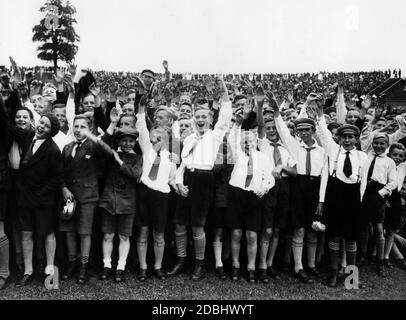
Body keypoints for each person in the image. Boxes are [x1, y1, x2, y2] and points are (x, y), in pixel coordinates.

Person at [169, 78, 232, 281]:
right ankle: (180, 260)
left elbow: (225, 117)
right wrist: (178, 184)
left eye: (204, 116)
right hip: (187, 179)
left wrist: (224, 93)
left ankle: (199, 263)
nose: (200, 119)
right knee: (179, 223)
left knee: (197, 225)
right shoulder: (189, 139)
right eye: (197, 116)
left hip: (204, 182)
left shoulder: (214, 135)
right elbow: (182, 165)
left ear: (210, 120)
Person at [271, 93, 328, 284]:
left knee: (313, 229)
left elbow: (325, 176)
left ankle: (311, 264)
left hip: (315, 188)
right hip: (299, 188)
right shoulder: (295, 146)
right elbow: (283, 132)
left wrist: (321, 199)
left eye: (307, 129)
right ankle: (298, 267)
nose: (304, 133)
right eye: (300, 130)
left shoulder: (322, 151)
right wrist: (278, 113)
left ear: (313, 130)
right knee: (299, 229)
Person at [315, 97, 368, 287]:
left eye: (350, 137)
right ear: (339, 138)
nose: (347, 140)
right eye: (343, 137)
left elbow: (363, 185)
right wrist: (320, 112)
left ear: (356, 139)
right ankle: (334, 272)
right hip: (335, 198)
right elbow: (322, 132)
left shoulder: (362, 156)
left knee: (351, 238)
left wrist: (361, 203)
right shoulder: (333, 151)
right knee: (335, 236)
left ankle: (351, 276)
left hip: (354, 199)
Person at [86, 126, 142, 283]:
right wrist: (91, 136)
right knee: (108, 235)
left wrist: (120, 162)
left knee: (124, 236)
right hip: (109, 200)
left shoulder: (138, 158)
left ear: (135, 142)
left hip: (128, 202)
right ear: (119, 141)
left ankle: (121, 267)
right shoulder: (111, 155)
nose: (127, 144)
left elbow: (136, 174)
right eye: (124, 140)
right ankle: (106, 265)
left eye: (131, 141)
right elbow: (103, 145)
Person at [14, 114, 63, 287]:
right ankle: (28, 270)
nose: (41, 126)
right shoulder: (30, 140)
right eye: (41, 122)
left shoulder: (53, 150)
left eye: (46, 126)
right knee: (26, 232)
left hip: (43, 200)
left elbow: (58, 178)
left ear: (51, 132)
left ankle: (50, 272)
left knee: (48, 233)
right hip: (25, 198)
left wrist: (40, 192)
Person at [226, 108, 273, 283]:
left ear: (255, 142)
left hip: (255, 196)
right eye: (244, 142)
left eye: (250, 142)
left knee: (252, 234)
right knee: (237, 233)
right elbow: (233, 138)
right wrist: (238, 123)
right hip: (237, 195)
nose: (247, 145)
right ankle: (236, 265)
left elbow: (270, 177)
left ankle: (252, 267)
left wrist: (265, 187)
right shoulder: (238, 155)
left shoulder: (262, 157)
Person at [256, 92, 297, 283]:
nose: (272, 130)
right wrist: (260, 105)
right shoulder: (263, 144)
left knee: (277, 229)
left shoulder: (287, 147)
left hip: (284, 188)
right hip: (267, 188)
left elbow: (295, 172)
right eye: (269, 127)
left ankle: (270, 263)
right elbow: (260, 125)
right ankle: (261, 265)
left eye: (275, 127)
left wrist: (283, 167)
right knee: (267, 230)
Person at [59, 114, 106, 284]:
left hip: (87, 197)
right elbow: (60, 172)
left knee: (84, 232)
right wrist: (63, 188)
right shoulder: (67, 147)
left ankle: (84, 266)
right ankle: (72, 263)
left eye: (83, 127)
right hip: (68, 197)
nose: (78, 130)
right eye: (76, 126)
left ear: (90, 130)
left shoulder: (94, 147)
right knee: (69, 231)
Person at [134, 99, 177, 281]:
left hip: (161, 197)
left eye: (161, 117)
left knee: (159, 233)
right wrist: (142, 107)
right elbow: (142, 125)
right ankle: (143, 267)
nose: (157, 120)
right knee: (143, 231)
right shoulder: (146, 146)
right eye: (156, 117)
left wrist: (178, 183)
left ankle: (158, 266)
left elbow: (173, 178)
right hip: (144, 193)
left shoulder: (172, 152)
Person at [358, 133, 397, 276]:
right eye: (376, 143)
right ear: (372, 143)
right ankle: (362, 255)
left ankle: (380, 262)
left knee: (379, 230)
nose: (378, 146)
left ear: (387, 146)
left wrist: (381, 193)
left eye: (382, 144)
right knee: (364, 226)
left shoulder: (389, 162)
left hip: (378, 194)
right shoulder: (366, 157)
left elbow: (393, 182)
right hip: (365, 193)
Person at [383, 143, 406, 269]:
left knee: (391, 230)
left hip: (395, 198)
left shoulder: (403, 167)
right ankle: (378, 255)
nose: (397, 158)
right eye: (394, 155)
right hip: (383, 195)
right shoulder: (384, 163)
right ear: (389, 154)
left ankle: (386, 257)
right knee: (380, 228)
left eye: (400, 156)